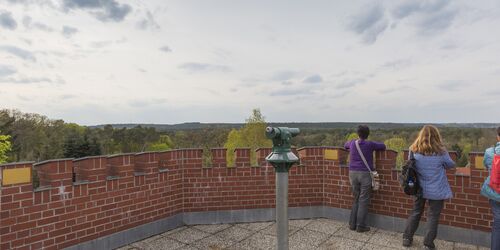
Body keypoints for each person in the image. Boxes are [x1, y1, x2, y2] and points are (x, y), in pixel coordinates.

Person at [402, 125, 455, 250]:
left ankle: (407, 238)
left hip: (418, 188)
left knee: (415, 212)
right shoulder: (441, 151)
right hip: (437, 190)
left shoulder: (413, 150)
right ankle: (428, 244)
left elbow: (410, 165)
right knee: (433, 216)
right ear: (436, 136)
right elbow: (450, 164)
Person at [344, 125, 386, 232]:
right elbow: (383, 146)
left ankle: (352, 224)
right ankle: (360, 226)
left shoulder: (353, 142)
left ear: (358, 133)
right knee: (363, 200)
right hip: (365, 174)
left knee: (356, 199)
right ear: (368, 134)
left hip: (352, 173)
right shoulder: (370, 144)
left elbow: (345, 145)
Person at [481, 127, 500, 250]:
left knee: (498, 223)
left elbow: (485, 165)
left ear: (498, 136)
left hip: (495, 193)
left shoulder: (489, 152)